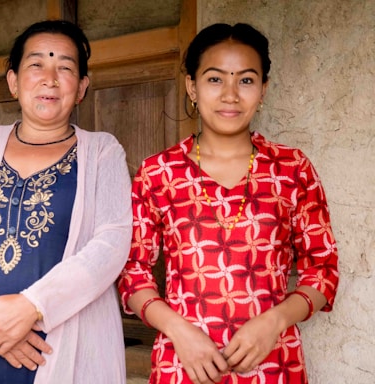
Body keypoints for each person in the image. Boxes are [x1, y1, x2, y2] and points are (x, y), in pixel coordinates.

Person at [118, 23, 339, 384]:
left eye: (247, 80)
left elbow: (323, 270)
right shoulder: (158, 172)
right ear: (192, 86)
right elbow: (133, 272)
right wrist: (178, 331)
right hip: (183, 363)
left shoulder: (291, 168)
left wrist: (275, 321)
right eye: (215, 79)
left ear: (263, 88)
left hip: (274, 363)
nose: (231, 95)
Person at [0, 20, 132, 384]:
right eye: (36, 64)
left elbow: (112, 241)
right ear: (13, 81)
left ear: (81, 87)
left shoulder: (102, 152)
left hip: (62, 343)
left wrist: (33, 307)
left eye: (65, 67)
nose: (50, 78)